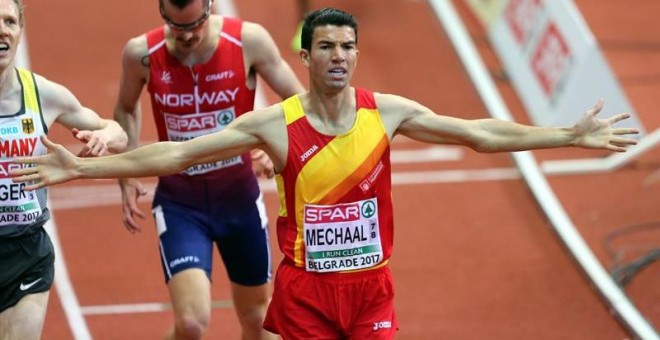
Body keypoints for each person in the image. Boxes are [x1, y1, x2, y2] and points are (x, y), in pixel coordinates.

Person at [11, 7, 639, 340]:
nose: (339, 57)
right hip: (307, 293)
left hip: (371, 289)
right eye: (327, 47)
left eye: (348, 47)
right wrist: (85, 171)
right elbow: (175, 154)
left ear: (356, 54)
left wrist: (567, 135)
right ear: (305, 56)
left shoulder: (386, 112)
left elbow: (478, 133)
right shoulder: (275, 124)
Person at [112, 0, 304, 339]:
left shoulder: (249, 41)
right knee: (190, 323)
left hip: (239, 201)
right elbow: (126, 109)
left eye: (195, 26)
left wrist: (270, 145)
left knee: (259, 319)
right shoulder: (141, 53)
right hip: (181, 206)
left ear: (209, 8)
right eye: (177, 27)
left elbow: (299, 102)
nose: (186, 37)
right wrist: (126, 177)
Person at [0, 0, 128, 338]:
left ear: (21, 30)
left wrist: (103, 136)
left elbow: (118, 131)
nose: (2, 30)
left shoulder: (42, 94)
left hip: (26, 253)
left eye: (10, 22)